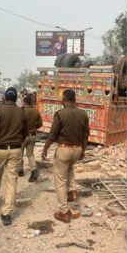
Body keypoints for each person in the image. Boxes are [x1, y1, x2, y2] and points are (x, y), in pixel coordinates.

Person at [42, 89, 90, 224]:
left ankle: (63, 212)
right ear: (74, 100)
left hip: (64, 149)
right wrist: (83, 150)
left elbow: (52, 135)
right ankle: (72, 191)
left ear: (64, 100)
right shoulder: (83, 114)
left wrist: (45, 149)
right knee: (69, 167)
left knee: (60, 180)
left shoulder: (60, 114)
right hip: (77, 149)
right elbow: (86, 135)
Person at [0, 87, 25, 225]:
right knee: (12, 181)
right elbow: (25, 132)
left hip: (0, 150)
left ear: (5, 98)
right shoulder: (21, 112)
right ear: (15, 99)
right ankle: (7, 213)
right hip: (15, 150)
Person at [21, 95, 43, 182]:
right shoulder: (36, 112)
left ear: (24, 102)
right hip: (33, 135)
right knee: (30, 154)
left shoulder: (22, 111)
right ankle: (34, 171)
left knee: (20, 153)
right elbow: (40, 124)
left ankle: (20, 170)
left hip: (23, 136)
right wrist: (34, 128)